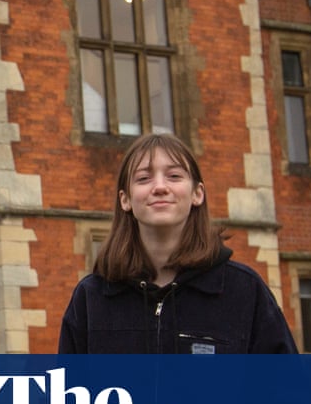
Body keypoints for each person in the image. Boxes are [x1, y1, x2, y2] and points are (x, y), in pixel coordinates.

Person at [59, 132, 297, 353]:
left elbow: (286, 384)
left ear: (197, 194)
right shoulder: (91, 298)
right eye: (143, 178)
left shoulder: (243, 291)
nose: (160, 187)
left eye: (174, 176)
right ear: (125, 199)